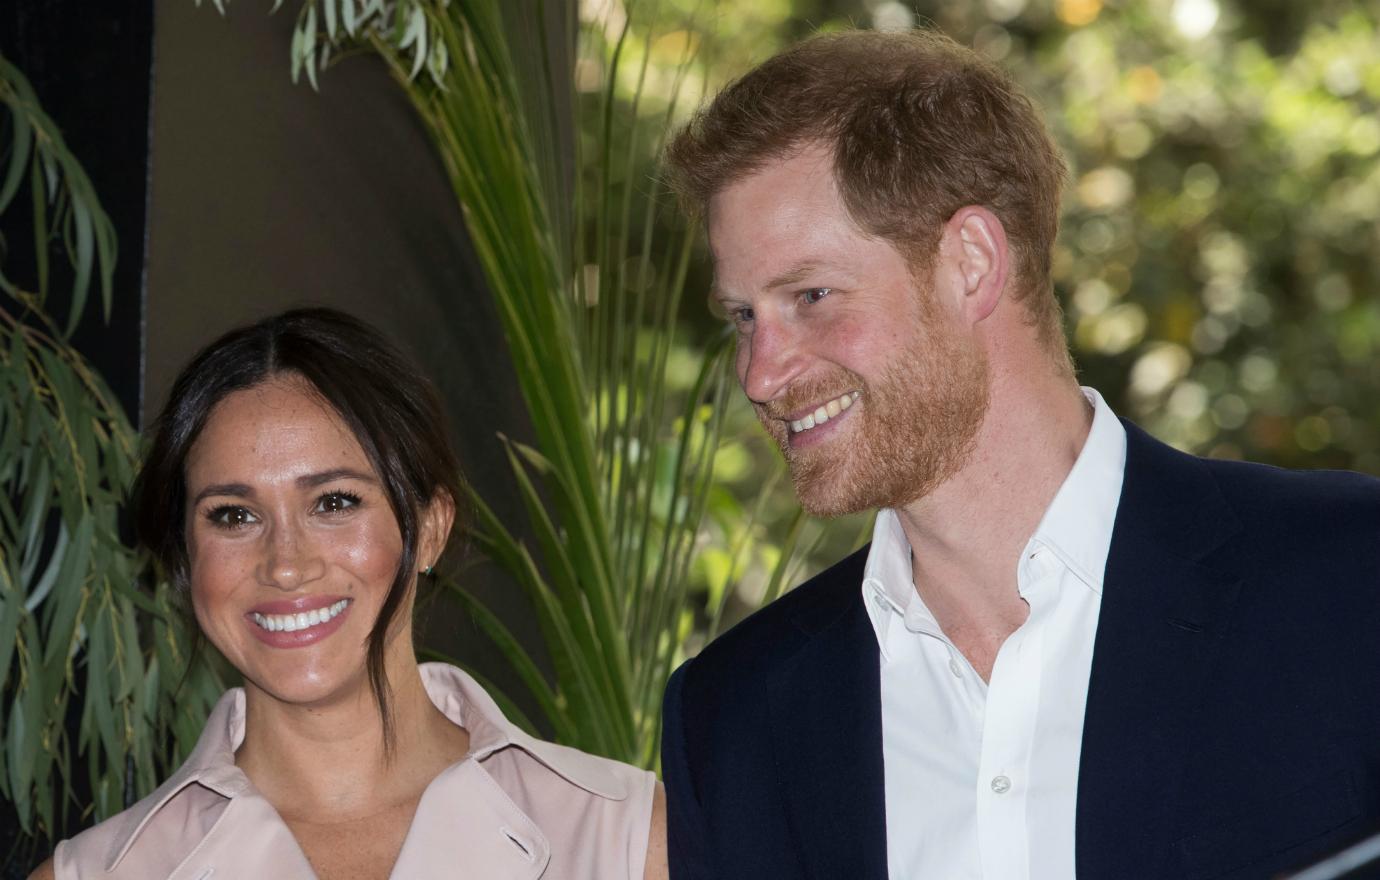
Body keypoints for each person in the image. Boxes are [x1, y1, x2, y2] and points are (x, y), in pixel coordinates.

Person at [659, 28, 1380, 880]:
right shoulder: (732, 721)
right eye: (743, 317)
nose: (761, 372)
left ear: (971, 263)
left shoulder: (1347, 582)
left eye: (811, 296)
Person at [31, 308, 668, 880]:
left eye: (334, 503)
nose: (286, 564)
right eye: (232, 515)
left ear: (431, 528)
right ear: (184, 557)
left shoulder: (627, 840)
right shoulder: (96, 875)